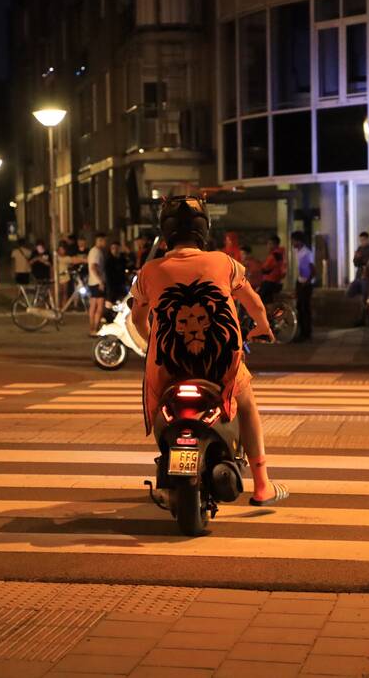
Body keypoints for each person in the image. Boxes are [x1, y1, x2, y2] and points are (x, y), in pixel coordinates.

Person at [130, 195, 288, 507]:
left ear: (166, 232)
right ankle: (261, 484)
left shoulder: (150, 270)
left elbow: (137, 317)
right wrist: (263, 327)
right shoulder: (224, 263)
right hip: (220, 364)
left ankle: (168, 463)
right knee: (246, 404)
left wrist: (153, 345)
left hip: (170, 365)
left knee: (162, 403)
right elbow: (254, 304)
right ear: (204, 230)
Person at [347, 231, 369, 325]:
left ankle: (364, 318)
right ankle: (360, 313)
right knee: (349, 292)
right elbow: (356, 263)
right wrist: (357, 258)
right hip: (359, 276)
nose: (362, 242)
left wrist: (361, 259)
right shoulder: (360, 248)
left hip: (368, 276)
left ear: (368, 239)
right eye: (361, 240)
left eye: (363, 240)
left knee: (365, 294)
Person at [291, 231, 315, 342]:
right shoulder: (296, 251)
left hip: (306, 283)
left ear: (299, 241)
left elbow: (313, 269)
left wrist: (307, 282)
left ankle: (306, 332)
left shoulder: (307, 252)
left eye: (294, 241)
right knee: (299, 307)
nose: (293, 243)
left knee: (305, 307)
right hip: (300, 281)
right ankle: (302, 331)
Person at [87, 232, 108, 334]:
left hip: (92, 282)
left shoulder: (93, 251)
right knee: (99, 306)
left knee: (93, 305)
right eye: (104, 241)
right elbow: (93, 267)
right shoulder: (96, 252)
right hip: (97, 282)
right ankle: (95, 328)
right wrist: (100, 282)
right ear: (99, 240)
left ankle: (92, 328)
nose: (105, 243)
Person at [257, 235, 286, 304]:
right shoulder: (280, 254)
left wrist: (260, 266)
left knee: (257, 299)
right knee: (268, 301)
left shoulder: (274, 255)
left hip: (269, 282)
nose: (268, 245)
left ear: (275, 244)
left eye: (270, 244)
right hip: (276, 281)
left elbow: (265, 269)